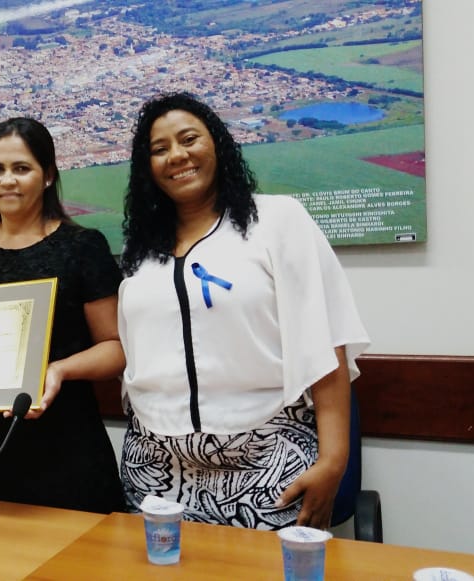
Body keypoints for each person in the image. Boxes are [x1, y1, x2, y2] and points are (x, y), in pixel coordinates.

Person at [118, 92, 369, 530]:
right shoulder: (140, 253)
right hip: (156, 473)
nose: (177, 155)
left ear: (217, 143)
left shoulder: (277, 220)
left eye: (188, 139)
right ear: (147, 169)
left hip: (266, 464)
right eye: (159, 150)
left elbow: (326, 344)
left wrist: (333, 461)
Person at [0, 117, 125, 514]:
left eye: (21, 169)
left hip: (65, 442)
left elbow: (115, 349)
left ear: (47, 177)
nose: (8, 180)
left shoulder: (83, 246)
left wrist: (57, 370)